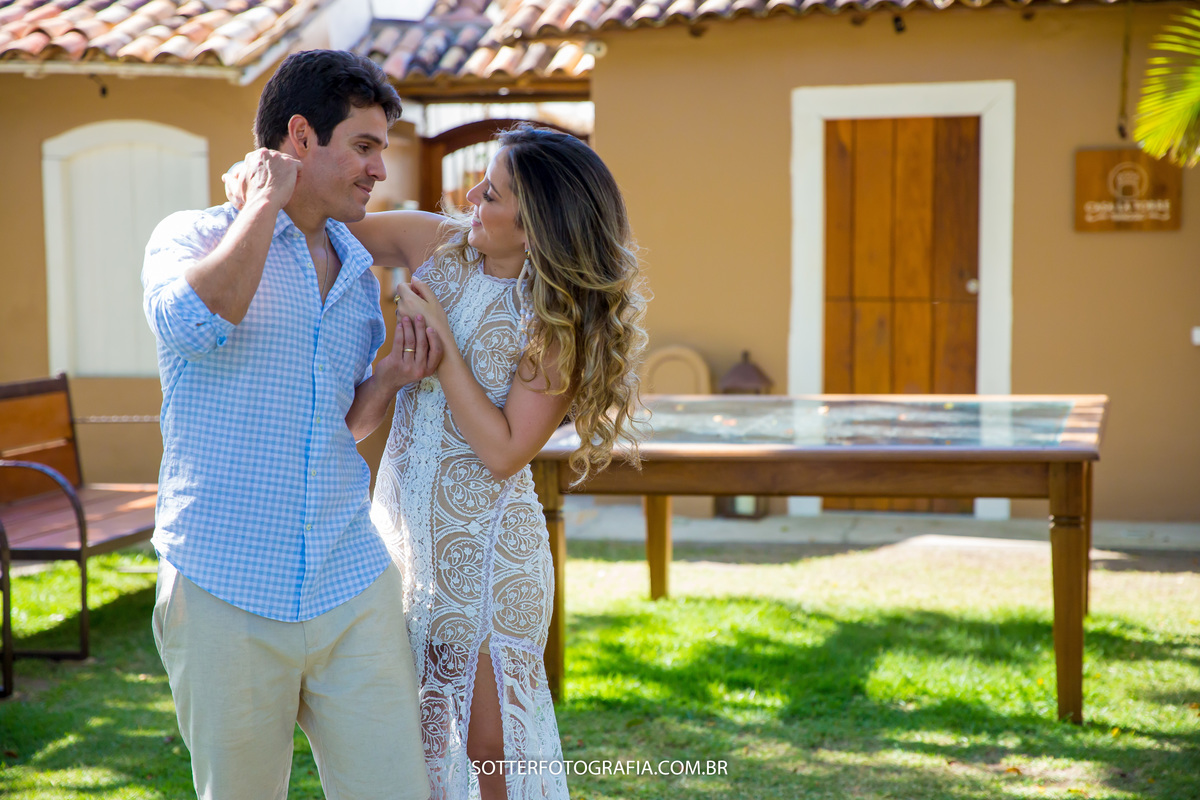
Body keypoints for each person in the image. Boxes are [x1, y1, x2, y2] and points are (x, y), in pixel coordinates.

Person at [141, 49, 437, 800]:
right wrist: (262, 208)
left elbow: (344, 423)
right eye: (364, 147)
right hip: (222, 585)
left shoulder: (357, 275)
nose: (379, 170)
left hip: (350, 581)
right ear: (301, 139)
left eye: (382, 151)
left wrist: (391, 378)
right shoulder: (191, 236)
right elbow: (196, 324)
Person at [358, 124, 648, 800]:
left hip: (490, 561)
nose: (469, 199)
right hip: (406, 538)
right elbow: (332, 231)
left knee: (489, 751)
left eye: (490, 194)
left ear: (536, 226)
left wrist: (444, 349)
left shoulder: (556, 323)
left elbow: (504, 450)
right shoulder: (441, 247)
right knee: (414, 740)